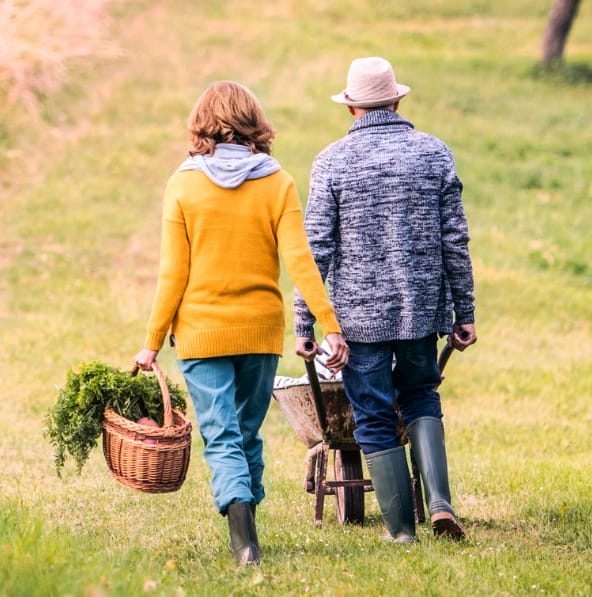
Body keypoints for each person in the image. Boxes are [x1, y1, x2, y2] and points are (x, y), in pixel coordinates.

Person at [134, 80, 349, 566]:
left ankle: (244, 541)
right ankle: (247, 522)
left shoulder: (184, 184)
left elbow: (173, 274)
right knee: (247, 433)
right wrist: (328, 325)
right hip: (260, 332)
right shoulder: (278, 182)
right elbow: (301, 261)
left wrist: (150, 343)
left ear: (201, 124)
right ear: (254, 123)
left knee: (223, 436)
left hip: (201, 333)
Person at [294, 57, 476, 543]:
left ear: (351, 107)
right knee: (421, 397)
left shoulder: (332, 161)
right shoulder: (433, 154)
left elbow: (316, 251)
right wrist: (466, 312)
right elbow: (454, 240)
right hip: (421, 313)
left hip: (357, 319)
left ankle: (401, 532)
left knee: (372, 415)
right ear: (397, 99)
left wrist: (304, 323)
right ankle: (438, 502)